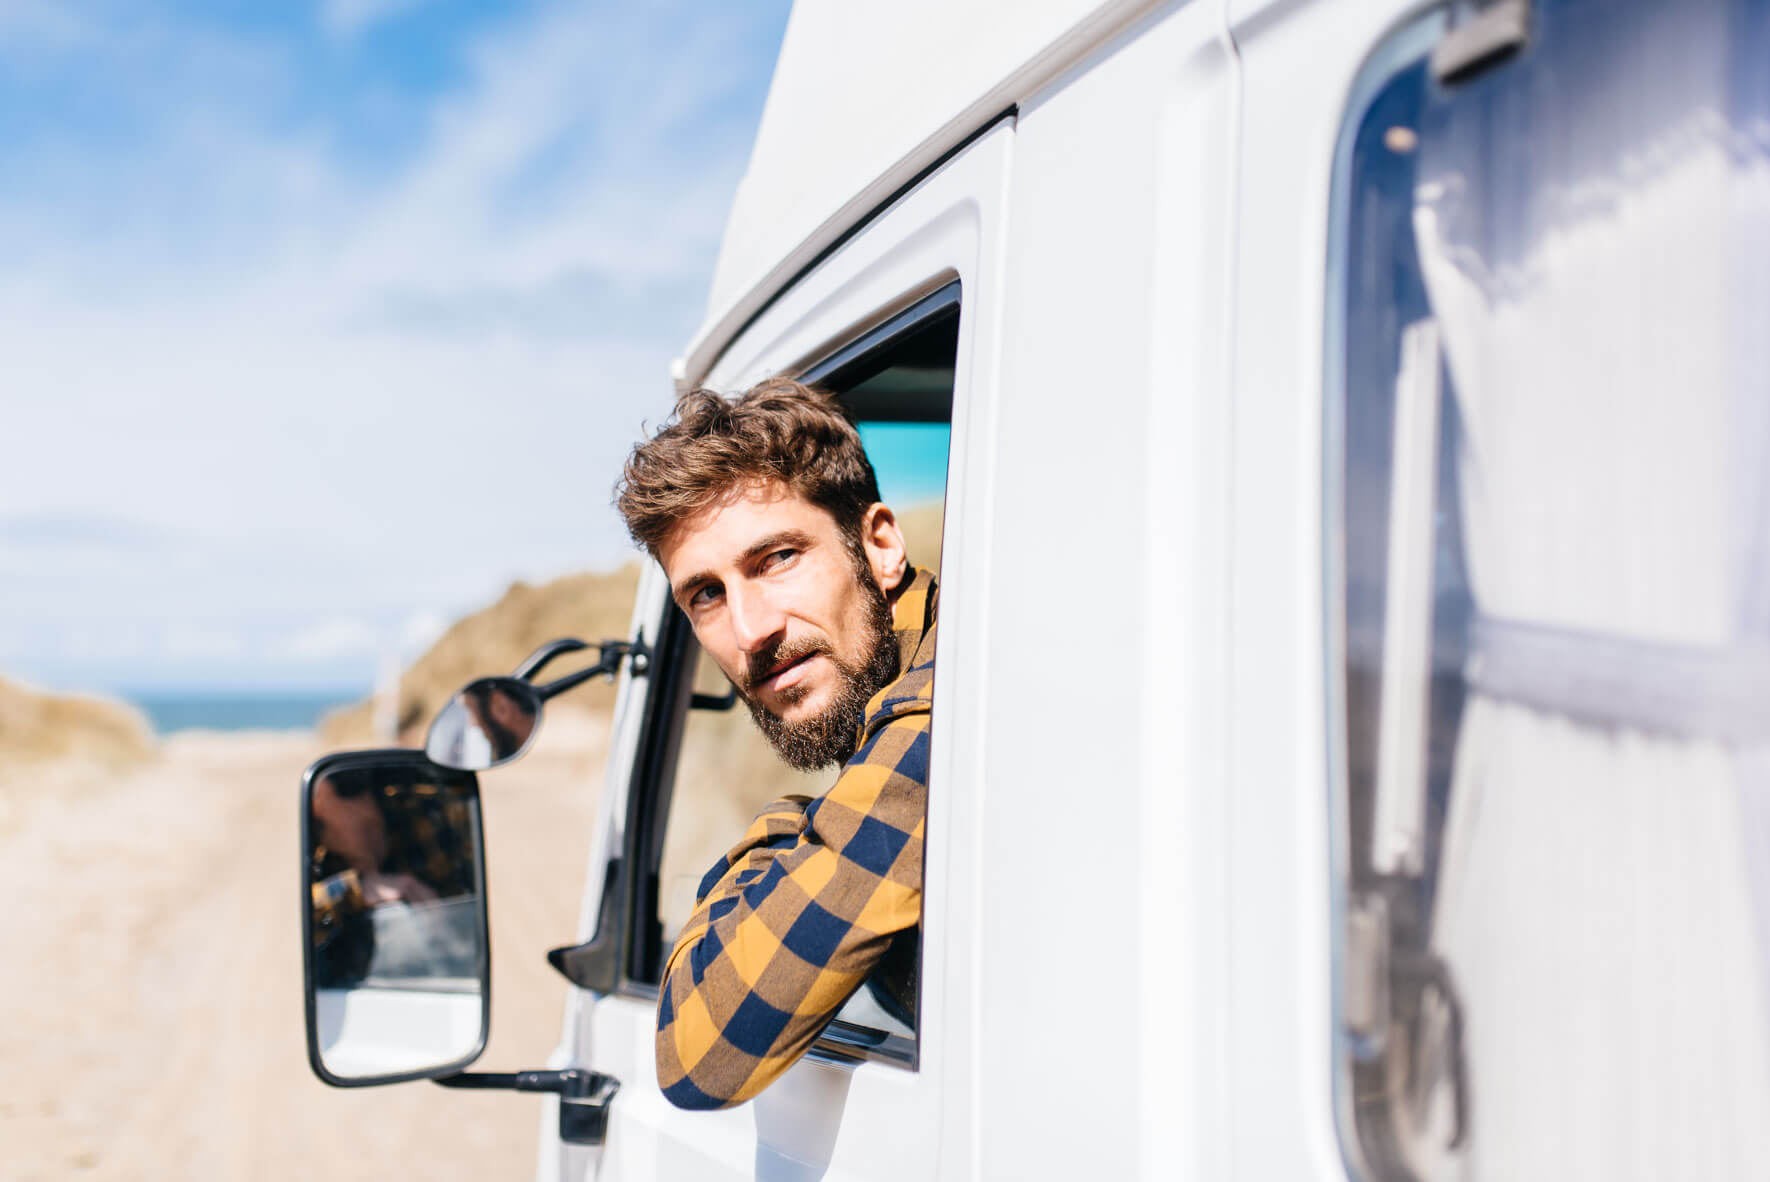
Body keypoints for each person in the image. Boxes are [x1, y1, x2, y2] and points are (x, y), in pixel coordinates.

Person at [616, 377, 936, 1111]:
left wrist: (785, 828)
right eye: (707, 595)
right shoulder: (898, 698)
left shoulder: (945, 703)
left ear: (880, 544)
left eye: (778, 558)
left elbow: (698, 1053)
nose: (751, 630)